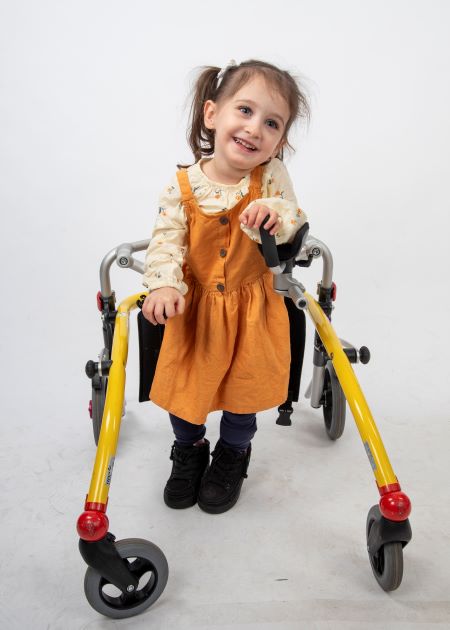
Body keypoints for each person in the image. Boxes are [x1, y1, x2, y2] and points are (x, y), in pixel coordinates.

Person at [142, 59, 309, 514]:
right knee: (187, 389)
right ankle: (189, 449)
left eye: (272, 123)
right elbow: (166, 243)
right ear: (212, 115)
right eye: (246, 111)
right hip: (196, 311)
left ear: (280, 140)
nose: (256, 129)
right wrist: (163, 285)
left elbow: (294, 216)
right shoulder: (182, 187)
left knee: (244, 390)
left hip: (251, 308)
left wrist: (275, 215)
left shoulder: (269, 178)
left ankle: (233, 454)